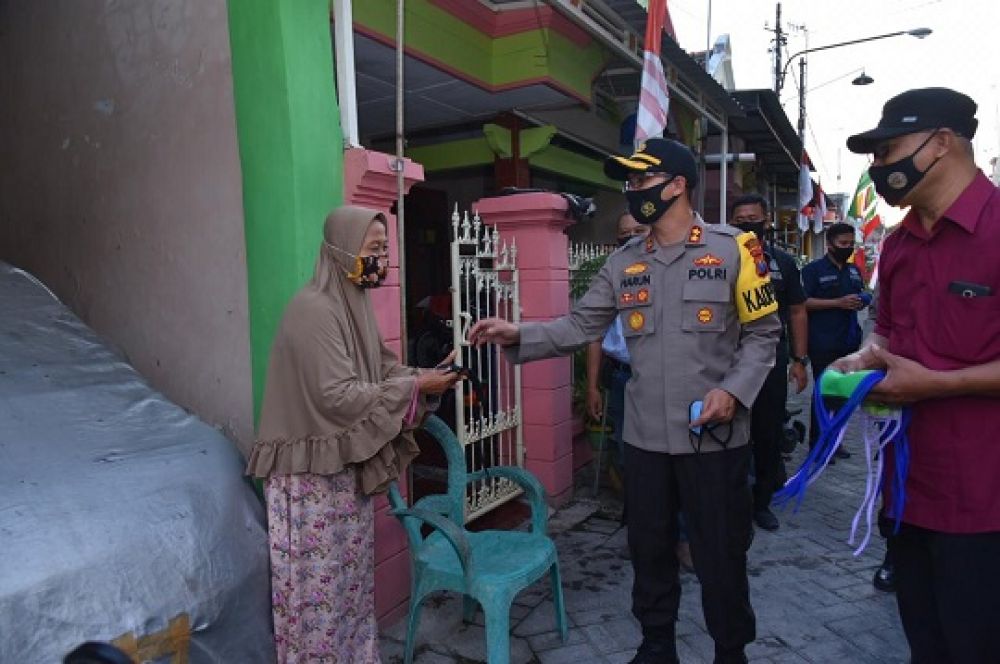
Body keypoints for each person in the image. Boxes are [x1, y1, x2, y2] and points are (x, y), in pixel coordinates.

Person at [469, 138, 781, 664]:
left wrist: (733, 391)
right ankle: (657, 645)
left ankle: (731, 649)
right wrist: (517, 333)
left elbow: (764, 334)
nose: (632, 192)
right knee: (649, 551)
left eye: (641, 181)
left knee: (720, 554)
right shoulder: (623, 263)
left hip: (715, 438)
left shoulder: (735, 250)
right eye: (630, 183)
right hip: (644, 440)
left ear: (677, 185)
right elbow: (579, 325)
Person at [245, 206, 462, 664]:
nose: (381, 260)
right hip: (309, 482)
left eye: (384, 250)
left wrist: (425, 373)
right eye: (373, 249)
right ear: (339, 251)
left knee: (348, 592)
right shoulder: (313, 310)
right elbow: (337, 396)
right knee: (317, 605)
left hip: (342, 477)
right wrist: (416, 385)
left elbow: (381, 370)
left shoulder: (353, 304)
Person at [836, 87, 1000, 663]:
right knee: (925, 645)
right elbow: (886, 333)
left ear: (942, 144)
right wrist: (859, 363)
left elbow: (931, 371)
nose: (879, 167)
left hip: (984, 503)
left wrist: (939, 384)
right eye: (875, 158)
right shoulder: (900, 244)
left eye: (888, 151)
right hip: (907, 493)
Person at [728, 194, 808, 531]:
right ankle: (731, 503)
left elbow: (797, 311)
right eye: (741, 218)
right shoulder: (717, 260)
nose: (748, 223)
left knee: (767, 433)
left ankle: (761, 503)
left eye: (754, 218)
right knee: (728, 434)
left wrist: (799, 360)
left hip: (770, 361)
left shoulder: (783, 263)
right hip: (726, 359)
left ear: (766, 221)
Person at [801, 222, 867, 461]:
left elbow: (861, 293)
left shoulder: (854, 271)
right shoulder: (813, 271)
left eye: (850, 244)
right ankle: (818, 445)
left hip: (848, 342)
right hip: (822, 341)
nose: (847, 248)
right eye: (842, 244)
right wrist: (836, 303)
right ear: (829, 244)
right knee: (823, 392)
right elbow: (802, 303)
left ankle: (835, 441)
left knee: (842, 395)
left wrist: (861, 300)